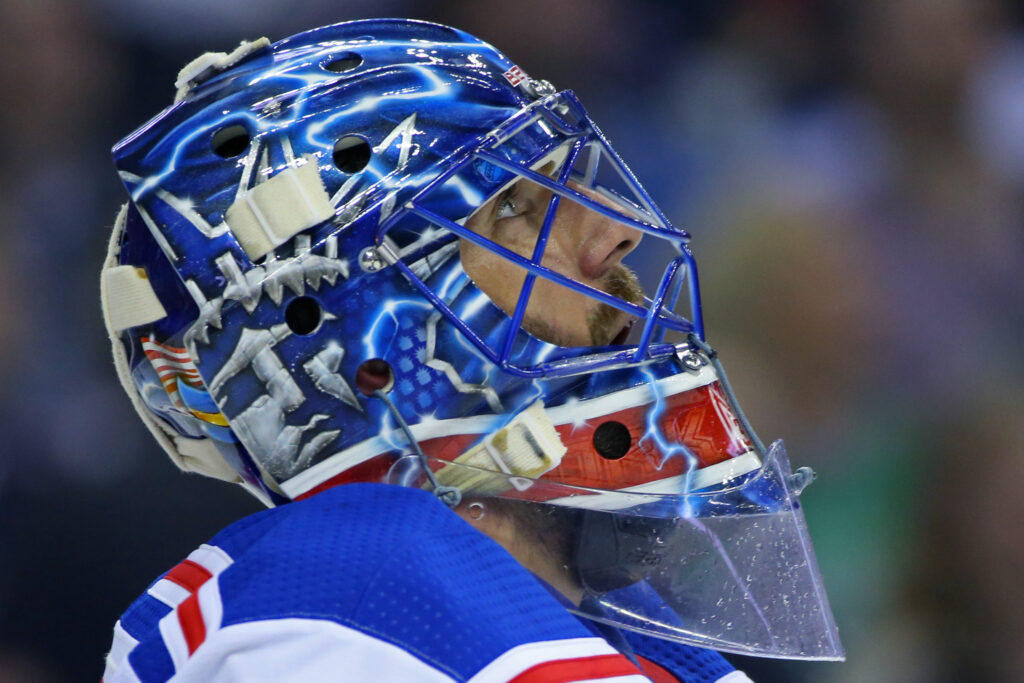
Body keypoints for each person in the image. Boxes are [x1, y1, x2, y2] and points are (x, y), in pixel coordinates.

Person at [99, 19, 843, 682]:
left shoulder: (616, 621)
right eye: (514, 207)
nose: (615, 230)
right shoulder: (343, 613)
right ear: (354, 344)